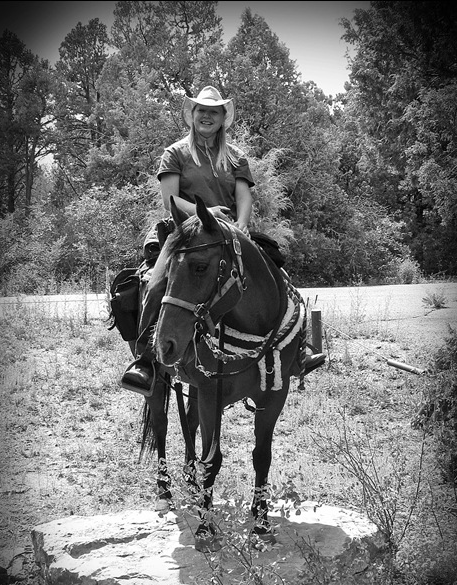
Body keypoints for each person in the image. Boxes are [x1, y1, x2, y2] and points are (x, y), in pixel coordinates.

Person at [121, 86, 324, 396]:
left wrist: (241, 224)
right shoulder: (175, 153)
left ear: (222, 118)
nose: (207, 116)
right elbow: (169, 199)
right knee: (154, 282)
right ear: (192, 115)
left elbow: (244, 197)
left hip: (229, 233)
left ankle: (296, 351)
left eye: (213, 112)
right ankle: (146, 361)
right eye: (201, 110)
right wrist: (206, 213)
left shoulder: (236, 156)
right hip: (186, 233)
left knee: (278, 275)